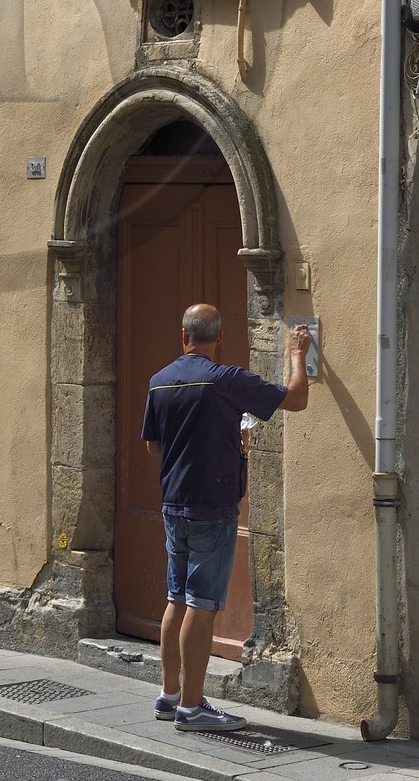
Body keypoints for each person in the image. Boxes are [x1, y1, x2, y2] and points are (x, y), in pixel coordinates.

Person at [141, 303, 311, 733]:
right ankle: (193, 707)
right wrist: (297, 353)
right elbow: (296, 398)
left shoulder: (159, 383)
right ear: (218, 338)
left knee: (176, 598)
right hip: (212, 507)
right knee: (201, 603)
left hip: (173, 504)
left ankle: (170, 696)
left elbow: (153, 447)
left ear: (183, 337)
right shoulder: (225, 380)